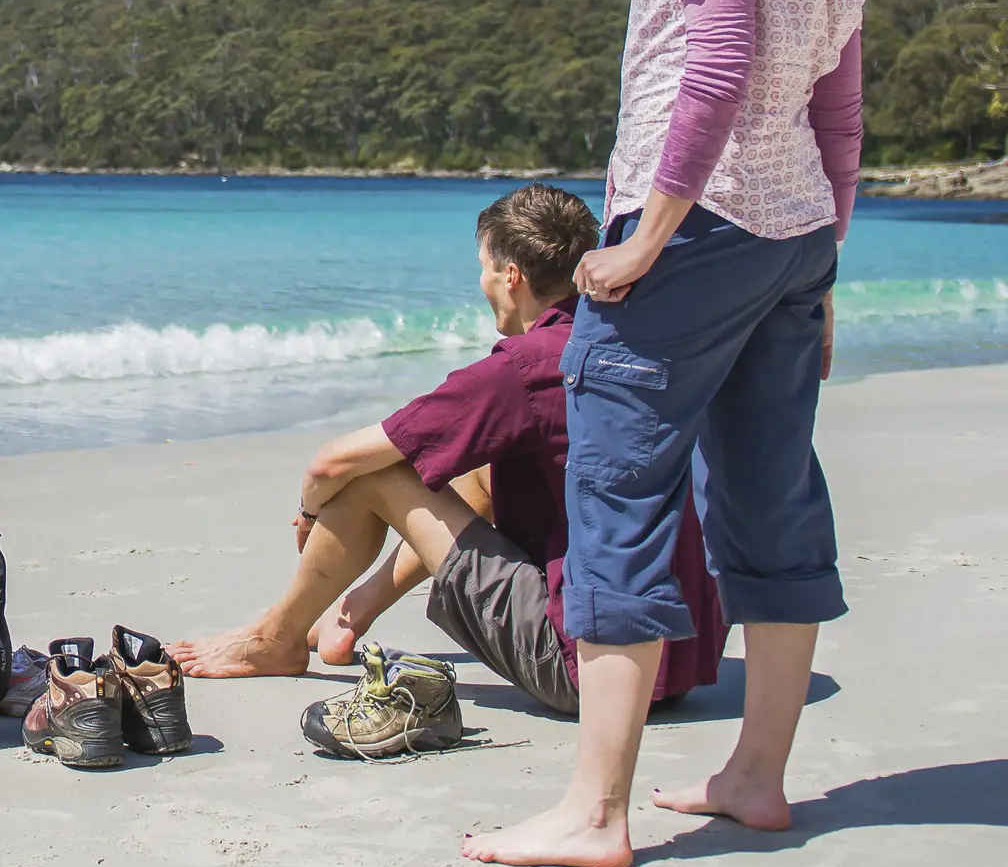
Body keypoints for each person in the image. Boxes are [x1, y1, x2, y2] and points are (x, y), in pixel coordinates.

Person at [463, 0, 867, 867]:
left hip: (695, 228)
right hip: (790, 231)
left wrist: (645, 237)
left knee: (618, 492)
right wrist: (825, 261)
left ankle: (594, 810)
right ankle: (755, 774)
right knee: (770, 485)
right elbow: (835, 114)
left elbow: (720, 63)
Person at [168, 185, 729, 719]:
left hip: (588, 672)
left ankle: (275, 640)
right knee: (487, 471)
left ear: (512, 276)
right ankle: (353, 612)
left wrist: (312, 510)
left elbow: (332, 463)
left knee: (374, 477)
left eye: (484, 268)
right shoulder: (627, 343)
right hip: (682, 660)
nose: (481, 282)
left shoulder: (527, 367)